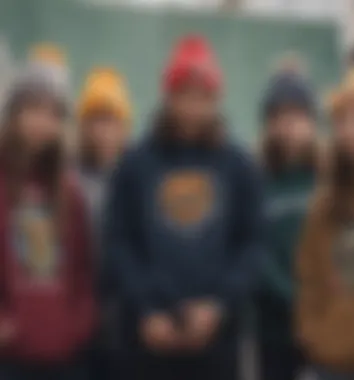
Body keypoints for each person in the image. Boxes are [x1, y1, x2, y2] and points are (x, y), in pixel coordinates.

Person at [105, 34, 266, 380]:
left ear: (215, 99)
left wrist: (219, 304)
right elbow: (118, 242)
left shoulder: (238, 166)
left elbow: (252, 243)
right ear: (168, 96)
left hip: (216, 340)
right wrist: (146, 308)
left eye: (203, 96)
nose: (193, 106)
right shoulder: (136, 164)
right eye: (184, 94)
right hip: (148, 339)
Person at [0, 63, 97, 379]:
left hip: (62, 357)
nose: (43, 121)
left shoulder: (70, 192)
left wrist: (72, 328)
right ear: (14, 113)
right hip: (10, 357)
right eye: (34, 108)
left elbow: (84, 273)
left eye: (54, 113)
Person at [296, 62, 354, 380]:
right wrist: (315, 335)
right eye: (344, 119)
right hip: (327, 362)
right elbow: (308, 278)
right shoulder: (324, 205)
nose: (352, 129)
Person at [254, 67, 319, 380]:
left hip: (327, 325)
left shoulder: (329, 178)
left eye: (296, 115)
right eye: (277, 116)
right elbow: (255, 250)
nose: (287, 125)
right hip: (274, 328)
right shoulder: (256, 180)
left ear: (311, 121)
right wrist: (292, 298)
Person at [76, 67, 132, 379]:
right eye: (95, 120)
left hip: (125, 323)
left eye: (111, 121)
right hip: (79, 325)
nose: (103, 131)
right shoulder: (69, 179)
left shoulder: (135, 179)